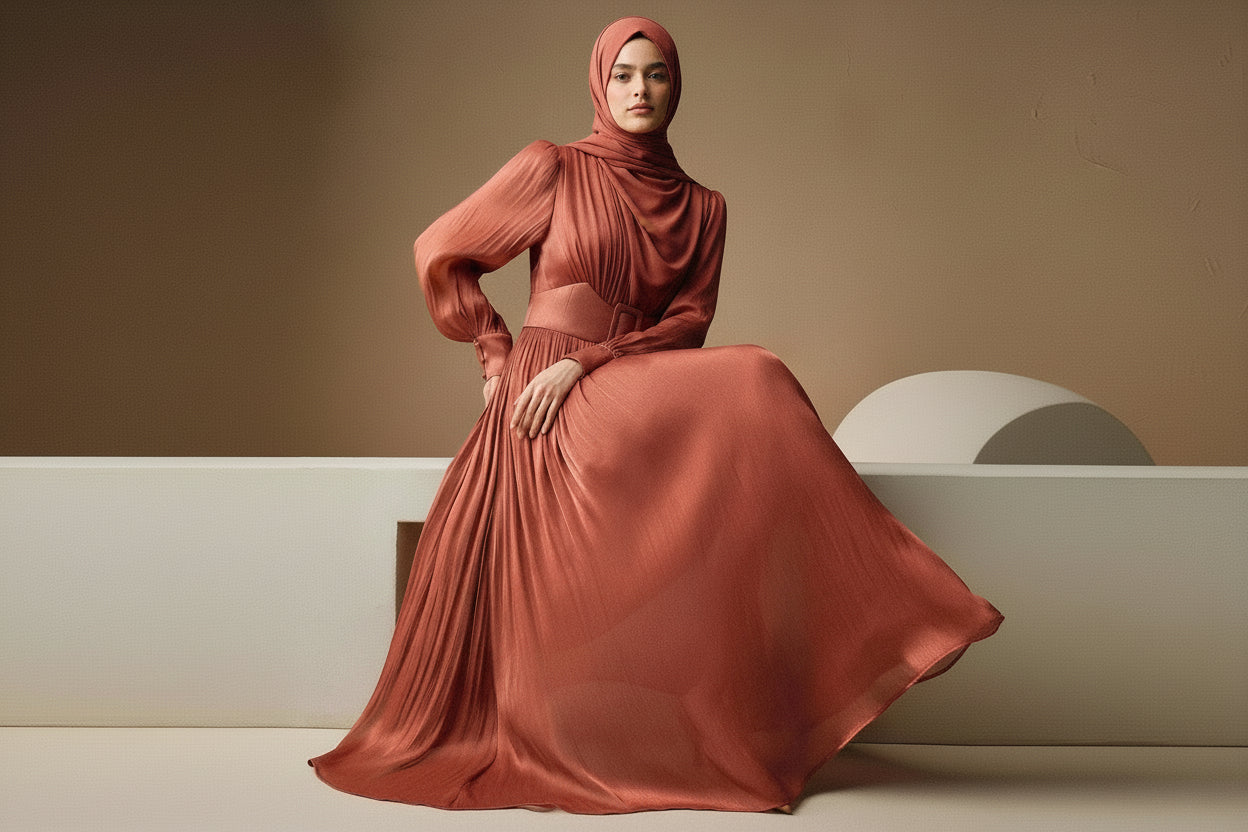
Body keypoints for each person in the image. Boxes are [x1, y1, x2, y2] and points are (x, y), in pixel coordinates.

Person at [310, 16, 1002, 814]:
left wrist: (592, 360)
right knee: (757, 380)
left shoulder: (705, 208)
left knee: (754, 384)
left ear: (677, 86)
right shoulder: (554, 167)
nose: (640, 91)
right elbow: (441, 249)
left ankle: (891, 619)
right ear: (600, 85)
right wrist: (497, 353)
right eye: (624, 76)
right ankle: (891, 614)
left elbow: (686, 324)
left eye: (658, 76)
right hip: (546, 392)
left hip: (614, 377)